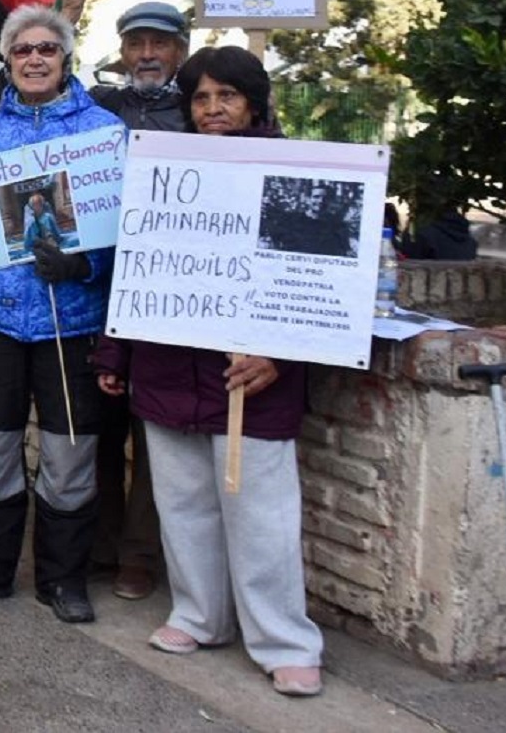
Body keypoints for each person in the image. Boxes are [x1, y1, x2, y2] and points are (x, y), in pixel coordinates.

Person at [93, 45, 326, 699]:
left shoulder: (295, 174)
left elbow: (320, 282)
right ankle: (199, 613)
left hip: (252, 378)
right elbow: (135, 263)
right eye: (201, 96)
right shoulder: (166, 170)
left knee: (262, 515)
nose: (213, 107)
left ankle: (285, 641)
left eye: (226, 95)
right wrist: (117, 353)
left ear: (254, 101)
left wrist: (280, 352)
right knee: (184, 504)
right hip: (169, 368)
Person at [0, 3, 122, 624]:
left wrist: (82, 267)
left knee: (69, 458)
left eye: (46, 48)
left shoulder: (103, 132)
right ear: (7, 61)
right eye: (22, 50)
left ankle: (63, 579)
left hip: (74, 325)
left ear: (65, 58)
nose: (34, 58)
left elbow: (128, 232)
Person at [84, 0, 190, 602]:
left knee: (153, 428)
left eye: (159, 44)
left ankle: (139, 554)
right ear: (122, 51)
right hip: (97, 281)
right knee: (97, 420)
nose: (147, 55)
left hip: (165, 289)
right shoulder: (100, 108)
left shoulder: (198, 112)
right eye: (136, 44)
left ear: (179, 50)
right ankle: (98, 544)